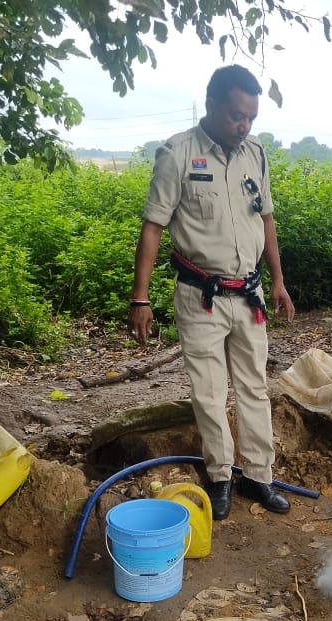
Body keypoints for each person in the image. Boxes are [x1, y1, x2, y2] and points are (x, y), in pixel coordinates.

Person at [129, 64, 296, 521]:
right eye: (236, 116)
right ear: (211, 105)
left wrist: (278, 281)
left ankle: (258, 476)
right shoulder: (178, 153)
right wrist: (140, 297)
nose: (244, 126)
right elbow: (153, 226)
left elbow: (266, 218)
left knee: (254, 388)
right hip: (200, 296)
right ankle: (220, 476)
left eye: (251, 118)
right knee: (208, 391)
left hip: (249, 295)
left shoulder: (255, 153)